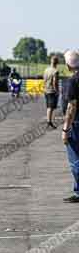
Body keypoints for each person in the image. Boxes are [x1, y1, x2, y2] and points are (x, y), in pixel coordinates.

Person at [61, 50, 79, 202]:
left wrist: (65, 129)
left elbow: (71, 107)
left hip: (77, 124)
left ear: (68, 65)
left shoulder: (73, 81)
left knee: (76, 160)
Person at [44, 55, 61, 129]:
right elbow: (55, 83)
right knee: (51, 107)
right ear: (57, 62)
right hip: (52, 90)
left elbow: (44, 79)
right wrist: (57, 91)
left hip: (46, 90)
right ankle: (49, 122)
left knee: (49, 107)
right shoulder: (55, 71)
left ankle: (49, 121)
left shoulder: (46, 70)